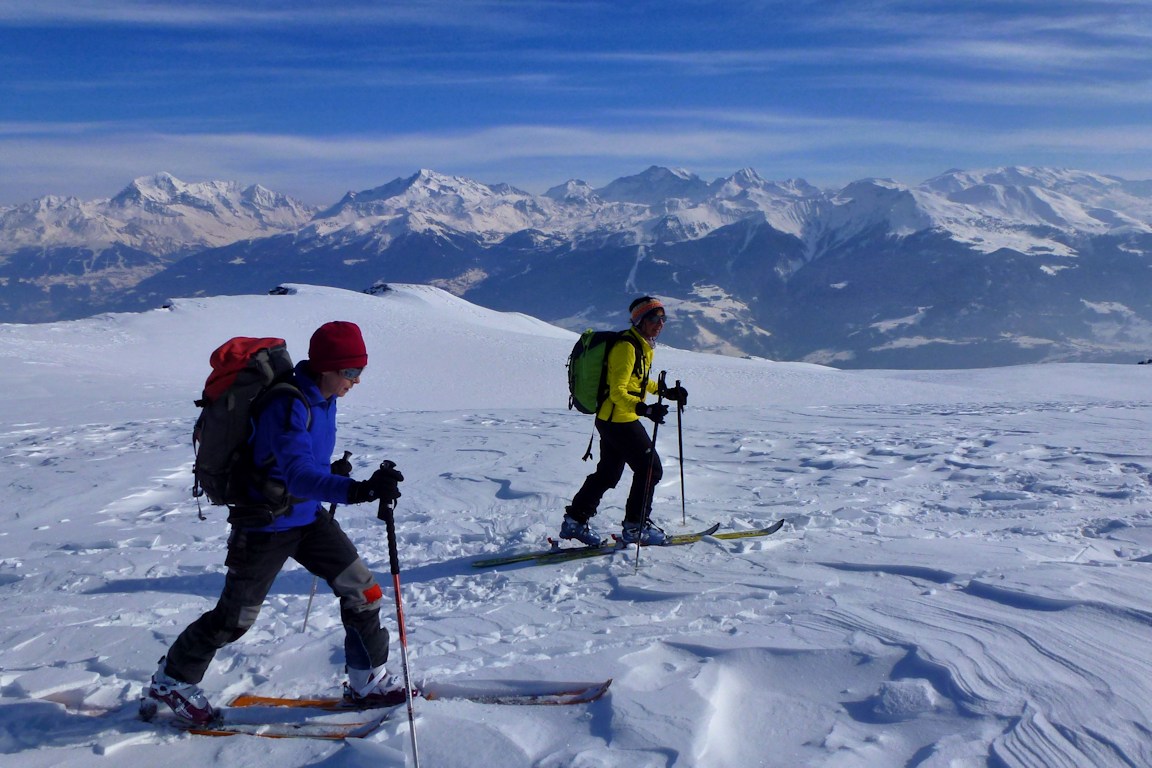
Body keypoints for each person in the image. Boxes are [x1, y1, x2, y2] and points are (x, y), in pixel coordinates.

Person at [144, 321, 407, 725]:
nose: (355, 381)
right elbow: (298, 474)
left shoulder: (324, 397)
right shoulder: (288, 404)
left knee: (363, 591)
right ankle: (172, 679)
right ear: (328, 368)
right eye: (351, 372)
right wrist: (359, 490)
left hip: (305, 517)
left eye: (360, 372)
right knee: (235, 619)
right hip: (265, 525)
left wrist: (331, 471)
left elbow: (298, 463)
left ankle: (366, 682)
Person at [560, 296, 688, 547]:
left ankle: (574, 522)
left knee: (608, 475)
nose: (660, 323)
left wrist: (664, 392)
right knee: (650, 469)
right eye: (654, 318)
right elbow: (618, 391)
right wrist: (644, 409)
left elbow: (637, 381)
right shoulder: (626, 348)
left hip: (612, 420)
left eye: (663, 319)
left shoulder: (642, 345)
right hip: (619, 420)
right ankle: (635, 527)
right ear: (640, 320)